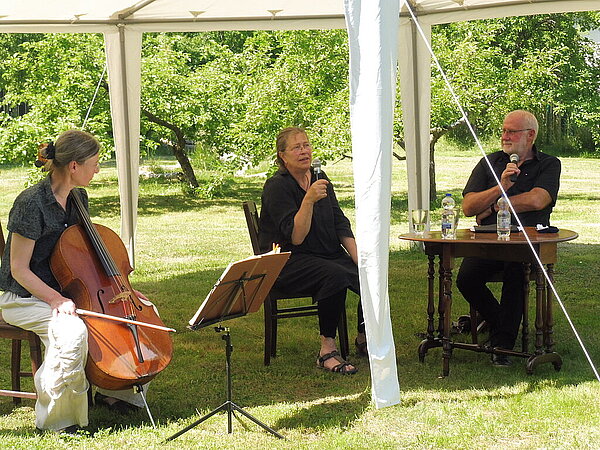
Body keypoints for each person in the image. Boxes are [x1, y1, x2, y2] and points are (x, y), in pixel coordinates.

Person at [0, 130, 145, 433]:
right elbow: (18, 270)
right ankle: (59, 420)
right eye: (95, 163)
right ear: (74, 166)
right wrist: (56, 299)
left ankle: (114, 390)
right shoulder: (31, 203)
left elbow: (81, 252)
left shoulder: (78, 197)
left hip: (66, 291)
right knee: (72, 333)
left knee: (132, 312)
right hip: (24, 297)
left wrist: (119, 288)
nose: (98, 170)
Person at [456, 110, 561, 366]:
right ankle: (498, 322)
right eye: (503, 130)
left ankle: (503, 344)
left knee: (517, 272)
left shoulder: (548, 164)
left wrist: (494, 206)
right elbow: (468, 206)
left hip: (528, 243)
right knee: (466, 278)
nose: (505, 136)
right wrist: (501, 186)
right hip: (490, 242)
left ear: (530, 135)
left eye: (512, 131)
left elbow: (538, 199)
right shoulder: (489, 162)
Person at [258, 127, 366, 375]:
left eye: (306, 145)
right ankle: (326, 350)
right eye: (296, 147)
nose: (304, 151)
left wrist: (358, 256)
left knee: (369, 272)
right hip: (288, 262)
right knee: (335, 276)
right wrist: (308, 200)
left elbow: (339, 221)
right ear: (282, 156)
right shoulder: (277, 187)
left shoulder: (319, 176)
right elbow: (296, 237)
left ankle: (364, 337)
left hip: (325, 253)